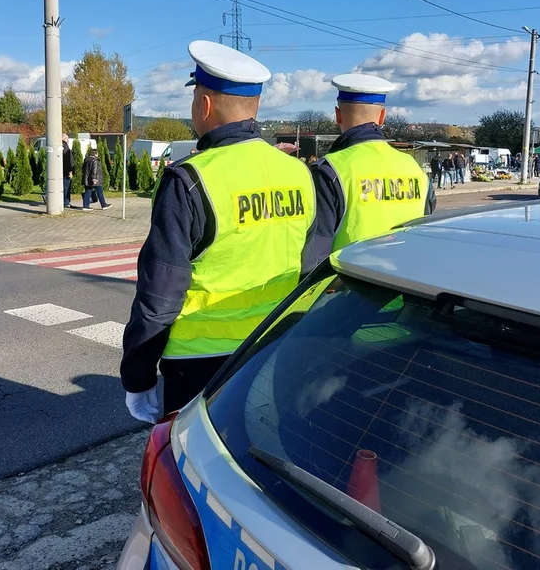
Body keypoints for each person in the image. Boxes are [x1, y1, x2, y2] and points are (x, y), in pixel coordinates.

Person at [121, 40, 317, 422]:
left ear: (205, 105)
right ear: (254, 107)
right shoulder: (299, 173)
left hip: (197, 363)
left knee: (194, 468)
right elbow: (306, 266)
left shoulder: (190, 179)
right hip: (269, 346)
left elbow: (159, 296)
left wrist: (137, 376)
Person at [309, 73, 433, 260]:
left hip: (351, 284)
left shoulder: (330, 170)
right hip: (405, 280)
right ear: (382, 117)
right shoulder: (414, 168)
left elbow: (315, 252)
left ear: (338, 115)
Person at [62, 134, 74, 209]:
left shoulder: (60, 146)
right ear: (65, 139)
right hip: (66, 171)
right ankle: (67, 202)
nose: (68, 140)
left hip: (61, 170)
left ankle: (65, 202)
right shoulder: (65, 147)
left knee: (63, 186)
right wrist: (70, 170)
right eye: (67, 139)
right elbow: (68, 160)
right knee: (66, 187)